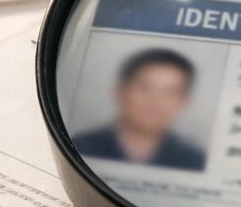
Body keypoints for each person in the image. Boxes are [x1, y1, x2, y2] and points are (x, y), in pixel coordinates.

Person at [72, 48, 207, 171]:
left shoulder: (194, 161)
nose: (155, 103)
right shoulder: (78, 146)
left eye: (170, 92)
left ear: (184, 100)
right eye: (144, 88)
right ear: (120, 91)